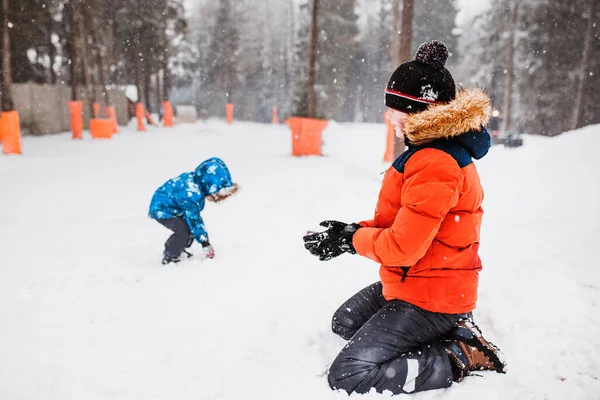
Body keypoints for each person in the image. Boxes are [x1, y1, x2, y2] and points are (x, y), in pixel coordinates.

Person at [303, 40, 506, 395]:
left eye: (394, 110)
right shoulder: (428, 152)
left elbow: (403, 247)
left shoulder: (436, 163)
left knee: (349, 374)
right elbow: (403, 222)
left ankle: (460, 353)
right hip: (415, 282)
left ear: (417, 112)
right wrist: (352, 232)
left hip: (432, 295)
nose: (387, 117)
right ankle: (450, 327)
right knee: (344, 321)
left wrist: (353, 242)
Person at [149, 157, 238, 264]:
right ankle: (170, 256)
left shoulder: (196, 184)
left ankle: (180, 248)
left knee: (189, 229)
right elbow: (194, 219)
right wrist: (205, 242)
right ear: (209, 184)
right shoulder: (191, 193)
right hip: (162, 209)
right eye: (215, 192)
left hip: (174, 208)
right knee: (182, 232)